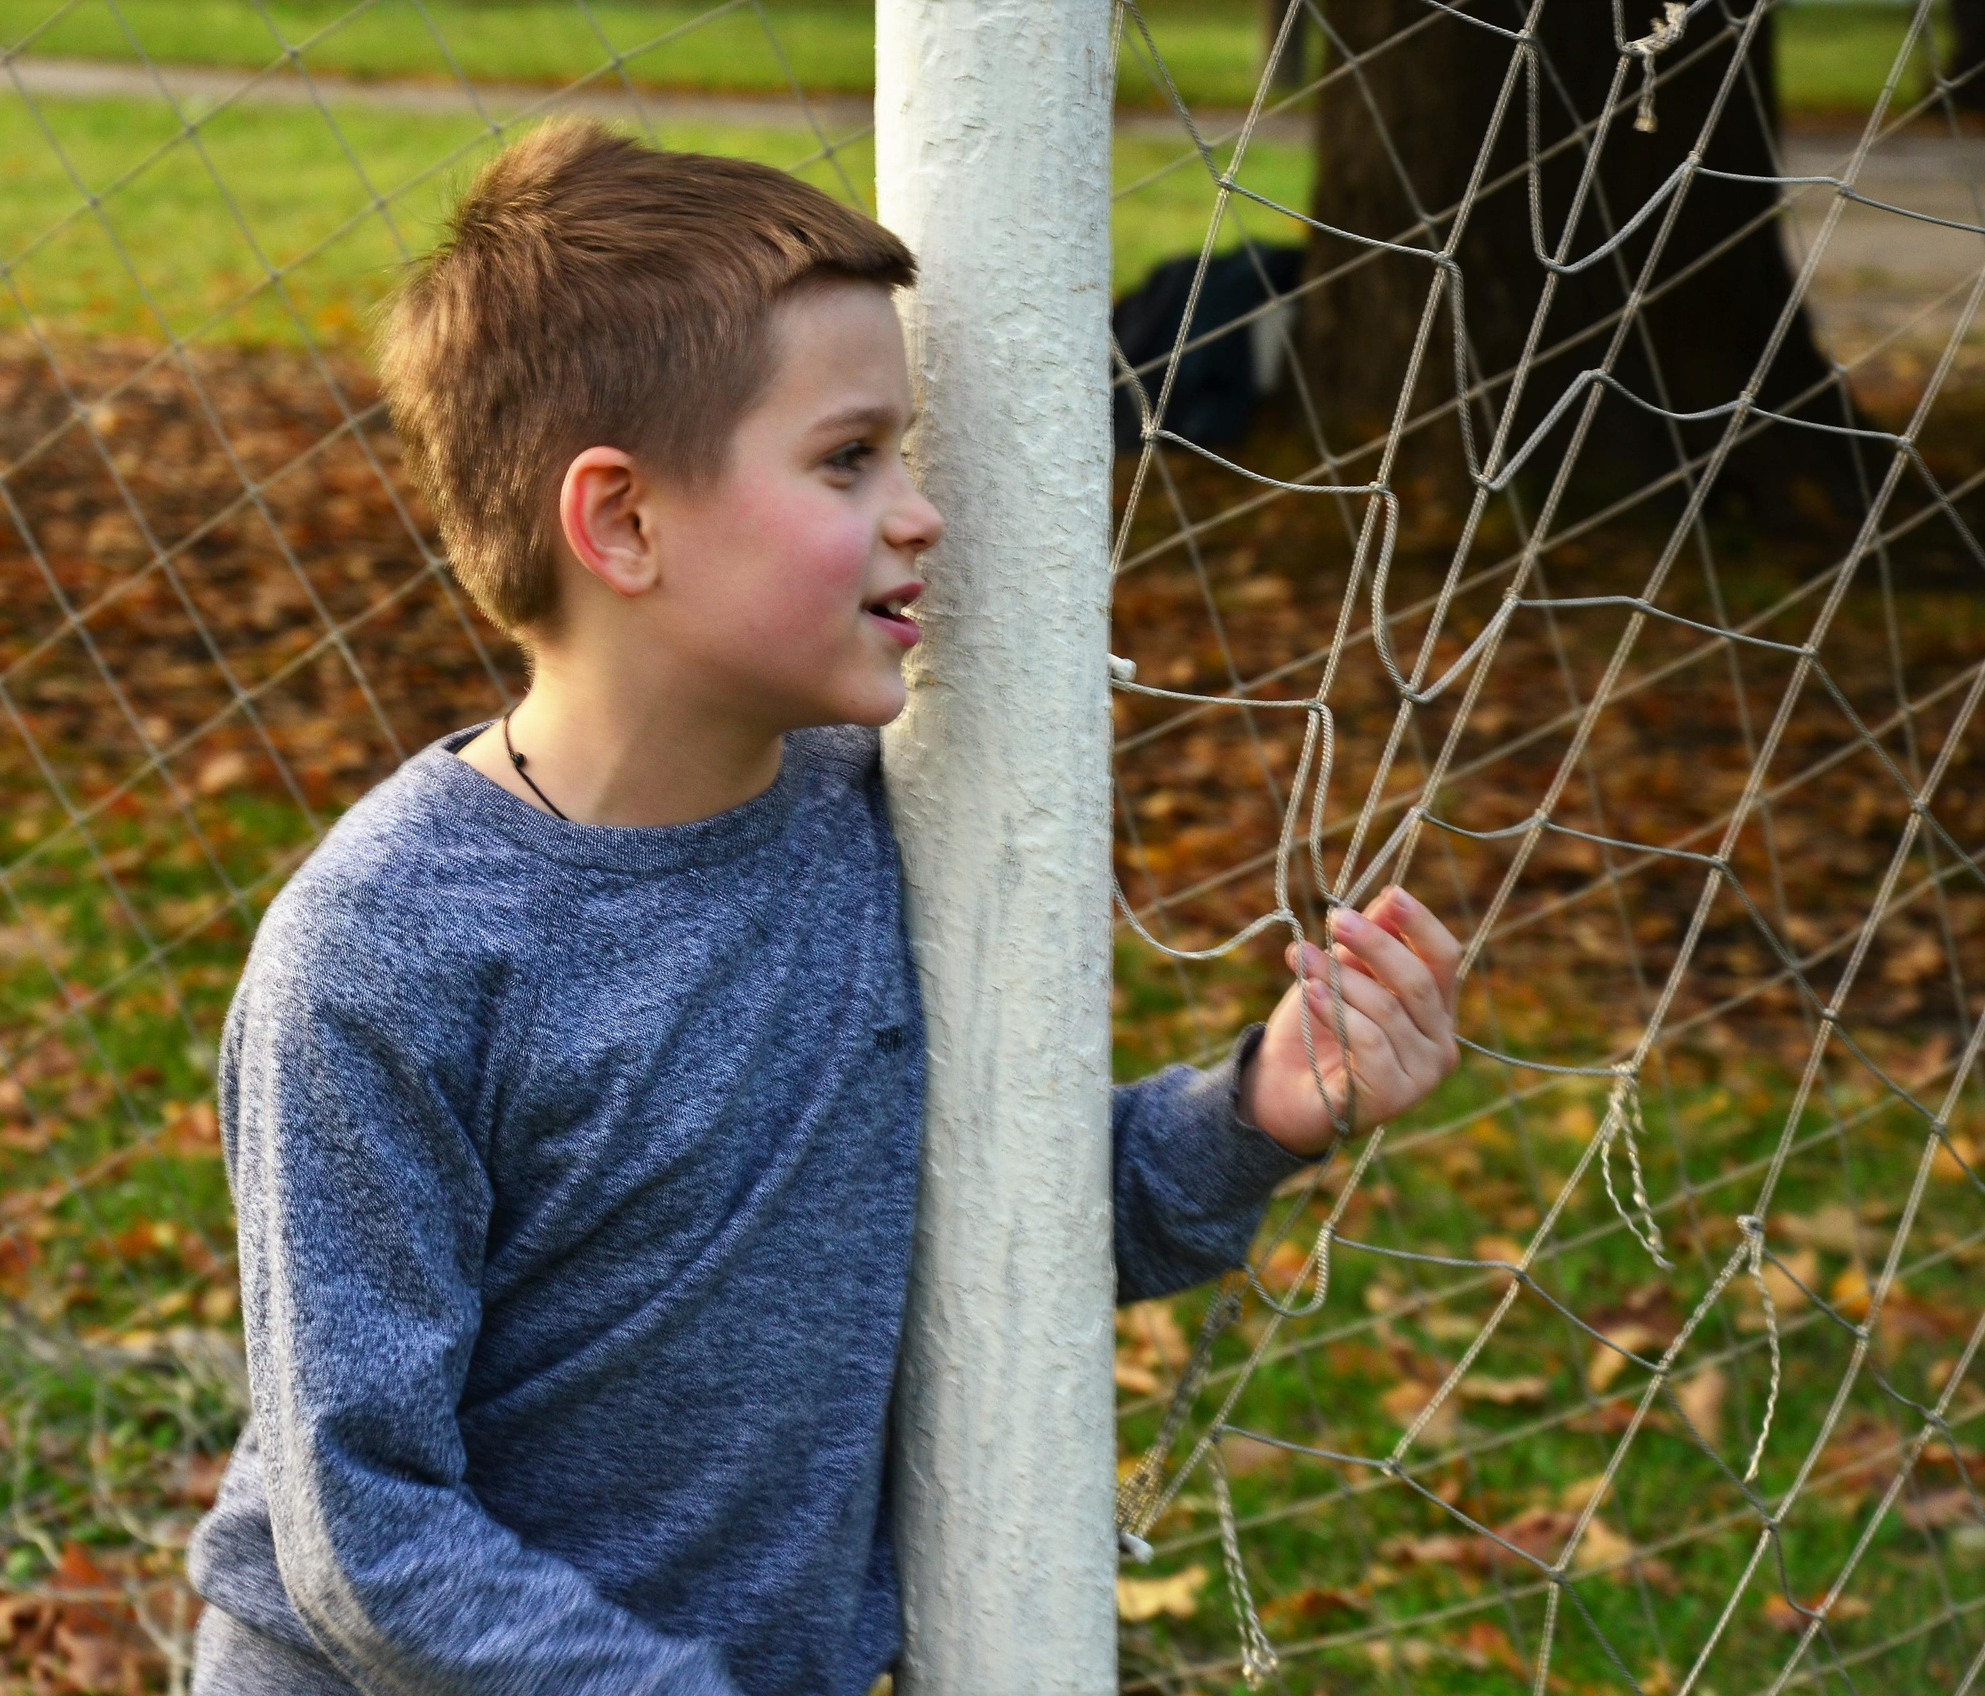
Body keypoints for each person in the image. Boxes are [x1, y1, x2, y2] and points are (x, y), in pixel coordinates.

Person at [185, 119, 1462, 1696]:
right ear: (625, 523)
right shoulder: (387, 955)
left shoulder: (870, 819)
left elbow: (978, 1228)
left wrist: (1261, 1110)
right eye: (851, 458)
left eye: (905, 453)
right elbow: (360, 1529)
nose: (921, 511)